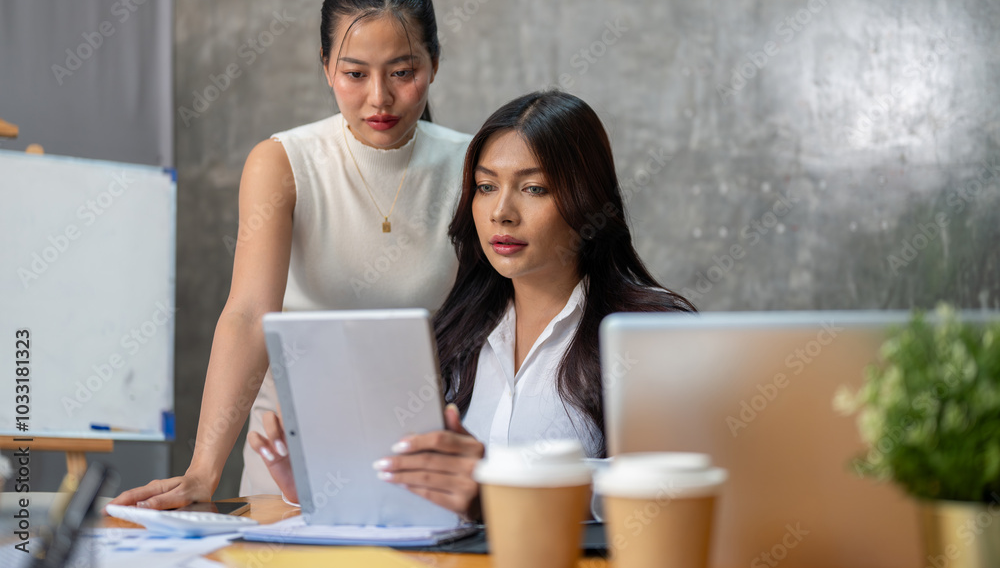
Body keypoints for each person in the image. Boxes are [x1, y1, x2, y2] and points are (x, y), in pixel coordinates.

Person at [110, 0, 472, 509]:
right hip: (291, 453)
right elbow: (250, 312)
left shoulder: (474, 165)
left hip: (425, 449)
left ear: (434, 65)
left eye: (402, 71)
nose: (380, 98)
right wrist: (202, 471)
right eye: (354, 73)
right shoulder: (284, 162)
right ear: (326, 68)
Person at [249, 90, 695, 518]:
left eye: (534, 188)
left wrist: (498, 490)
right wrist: (315, 483)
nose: (502, 211)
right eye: (485, 186)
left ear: (587, 200)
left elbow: (671, 493)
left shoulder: (649, 333)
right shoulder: (456, 334)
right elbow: (422, 491)